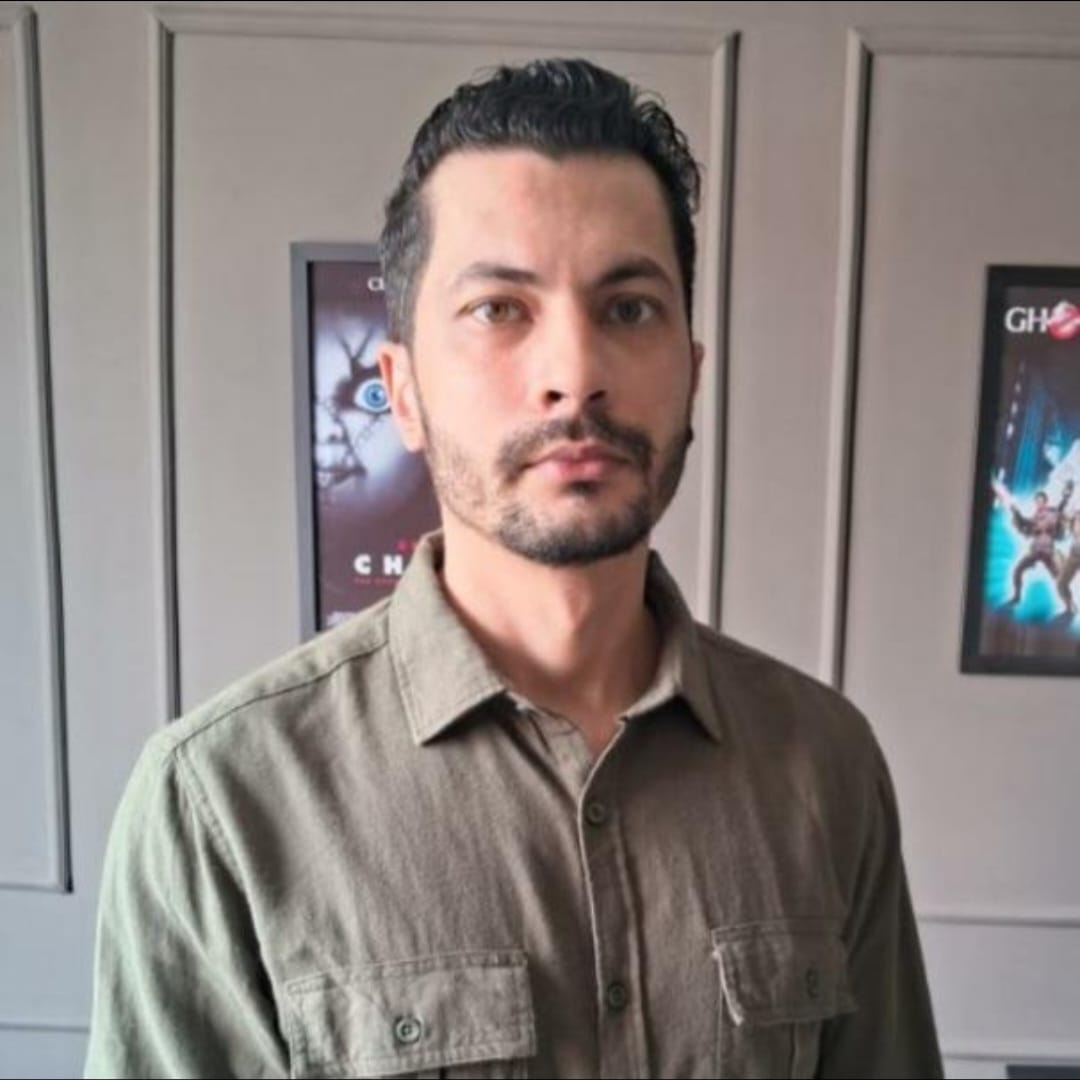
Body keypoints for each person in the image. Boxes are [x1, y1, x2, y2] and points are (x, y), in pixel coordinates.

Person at [85, 58, 943, 1079]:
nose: (573, 375)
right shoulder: (220, 805)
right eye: (500, 309)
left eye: (630, 308)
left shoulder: (826, 765)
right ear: (403, 391)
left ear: (691, 374)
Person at [992, 477, 1074, 609]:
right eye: (1037, 501)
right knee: (1017, 571)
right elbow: (1023, 522)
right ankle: (1017, 597)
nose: (1039, 503)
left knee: (1060, 580)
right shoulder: (1034, 519)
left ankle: (1069, 604)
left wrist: (1067, 494)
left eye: (1041, 501)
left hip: (1048, 552)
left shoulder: (1052, 513)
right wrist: (1015, 511)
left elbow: (1061, 506)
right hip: (1035, 550)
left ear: (1045, 502)